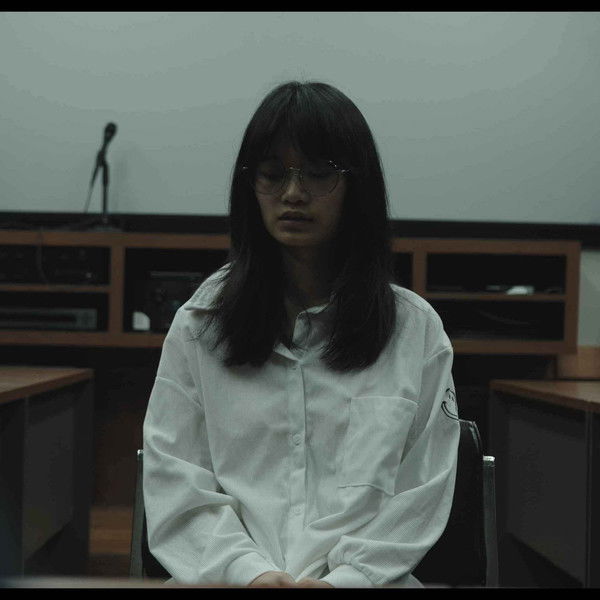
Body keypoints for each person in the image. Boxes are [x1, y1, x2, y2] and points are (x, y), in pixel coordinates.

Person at [142, 81, 460, 588]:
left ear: (357, 186)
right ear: (250, 186)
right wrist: (248, 573)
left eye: (318, 173)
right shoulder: (200, 326)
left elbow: (421, 488)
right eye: (273, 174)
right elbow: (174, 478)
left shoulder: (413, 331)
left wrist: (345, 581)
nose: (293, 193)